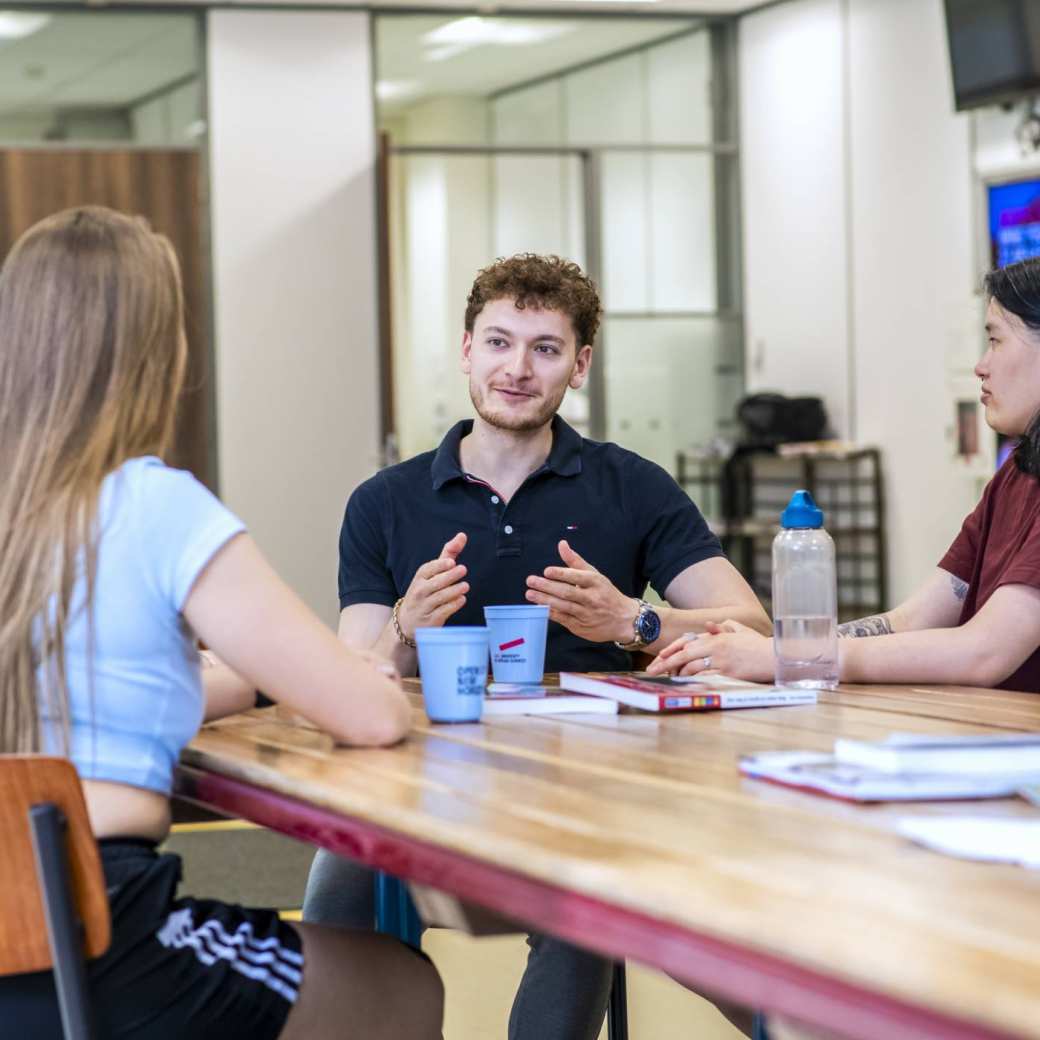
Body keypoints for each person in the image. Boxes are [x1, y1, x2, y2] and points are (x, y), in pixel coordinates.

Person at [0, 207, 443, 1040]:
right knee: (398, 984)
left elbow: (104, 687)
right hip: (99, 934)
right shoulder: (155, 506)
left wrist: (258, 676)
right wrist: (348, 680)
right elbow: (373, 715)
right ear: (155, 355)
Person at [303, 253, 770, 1040]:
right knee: (337, 898)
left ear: (579, 364)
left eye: (545, 348)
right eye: (497, 342)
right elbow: (360, 670)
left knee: (579, 897)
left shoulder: (632, 486)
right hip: (425, 790)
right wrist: (405, 626)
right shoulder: (384, 502)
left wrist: (634, 620)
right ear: (465, 350)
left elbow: (747, 624)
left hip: (582, 788)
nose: (516, 369)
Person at [648, 255, 1040, 695]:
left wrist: (792, 656)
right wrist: (780, 647)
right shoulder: (1015, 477)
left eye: (996, 341)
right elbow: (910, 620)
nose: (981, 366)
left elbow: (983, 652)